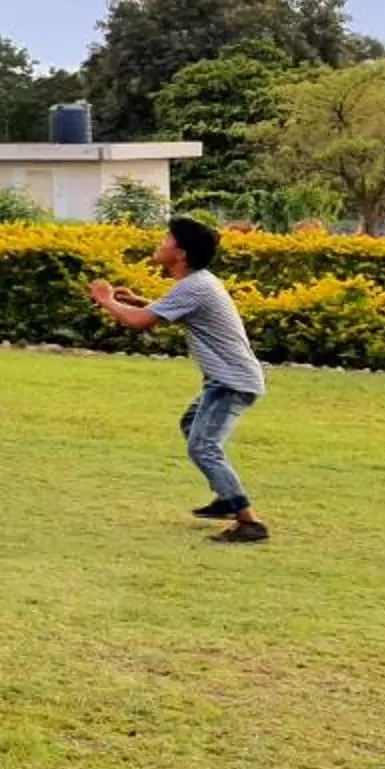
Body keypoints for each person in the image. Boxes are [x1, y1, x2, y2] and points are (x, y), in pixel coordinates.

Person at [89, 216, 272, 544]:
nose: (160, 243)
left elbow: (141, 322)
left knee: (202, 446)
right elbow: (161, 312)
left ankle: (249, 522)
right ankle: (225, 497)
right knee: (192, 425)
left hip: (232, 381)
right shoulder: (198, 283)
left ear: (181, 253)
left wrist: (106, 300)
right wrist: (138, 302)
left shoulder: (195, 286)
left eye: (167, 239)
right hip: (227, 378)